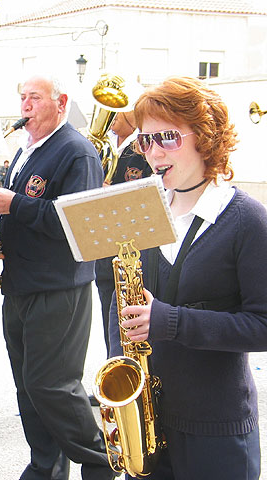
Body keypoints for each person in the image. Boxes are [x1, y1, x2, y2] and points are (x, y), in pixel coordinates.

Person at [108, 76, 267, 480]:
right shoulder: (144, 210)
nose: (153, 152)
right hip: (147, 424)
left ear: (207, 137)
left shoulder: (247, 219)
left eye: (167, 138)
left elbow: (263, 326)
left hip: (216, 431)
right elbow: (120, 303)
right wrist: (118, 385)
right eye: (145, 141)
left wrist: (170, 322)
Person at [0, 75, 113, 480]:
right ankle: (45, 465)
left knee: (52, 386)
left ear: (61, 103)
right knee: (27, 385)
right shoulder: (28, 149)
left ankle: (99, 462)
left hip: (59, 288)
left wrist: (13, 204)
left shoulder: (77, 152)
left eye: (35, 98)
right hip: (21, 284)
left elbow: (78, 220)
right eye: (22, 98)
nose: (25, 107)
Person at [94, 111, 153, 354]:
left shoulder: (143, 148)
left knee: (128, 319)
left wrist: (108, 190)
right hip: (105, 244)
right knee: (108, 316)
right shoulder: (104, 147)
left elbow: (146, 194)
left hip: (132, 243)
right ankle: (113, 368)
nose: (111, 123)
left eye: (115, 117)